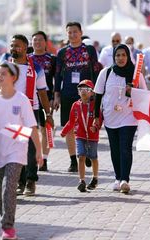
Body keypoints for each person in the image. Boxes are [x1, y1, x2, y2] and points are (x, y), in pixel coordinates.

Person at [0, 61, 43, 240]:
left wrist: (39, 151)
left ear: (13, 77)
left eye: (3, 73)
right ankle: (6, 218)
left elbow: (32, 127)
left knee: (9, 187)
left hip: (17, 149)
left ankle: (8, 228)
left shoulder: (22, 99)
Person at [93, 44, 147, 194]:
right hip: (110, 116)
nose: (121, 58)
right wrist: (96, 117)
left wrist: (133, 91)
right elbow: (98, 95)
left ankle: (125, 179)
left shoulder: (136, 74)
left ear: (128, 56)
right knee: (115, 148)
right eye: (118, 55)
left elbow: (144, 95)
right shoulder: (106, 72)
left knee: (125, 147)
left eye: (124, 55)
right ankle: (117, 178)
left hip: (128, 117)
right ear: (114, 57)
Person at [8, 34, 52, 196]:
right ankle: (20, 181)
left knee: (30, 148)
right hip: (10, 111)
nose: (13, 48)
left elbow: (42, 92)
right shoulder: (6, 66)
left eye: (17, 45)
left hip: (30, 110)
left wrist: (48, 113)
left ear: (26, 48)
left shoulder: (36, 68)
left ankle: (31, 181)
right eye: (12, 45)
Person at [54, 22, 101, 172]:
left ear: (81, 33)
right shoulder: (62, 52)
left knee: (87, 125)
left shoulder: (89, 50)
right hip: (67, 93)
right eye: (70, 32)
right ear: (66, 34)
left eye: (75, 32)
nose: (73, 35)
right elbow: (57, 74)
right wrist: (56, 95)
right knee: (68, 127)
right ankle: (73, 160)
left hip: (87, 94)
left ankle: (85, 153)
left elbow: (96, 70)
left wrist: (97, 92)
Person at [61, 80, 103, 192]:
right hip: (80, 135)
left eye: (86, 89)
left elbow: (100, 119)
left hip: (93, 136)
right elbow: (71, 121)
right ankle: (82, 180)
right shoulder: (76, 105)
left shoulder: (95, 105)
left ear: (92, 92)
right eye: (80, 90)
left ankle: (95, 178)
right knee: (81, 157)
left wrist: (96, 127)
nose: (83, 92)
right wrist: (64, 131)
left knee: (93, 157)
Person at [29, 31, 56, 171]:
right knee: (33, 130)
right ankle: (33, 157)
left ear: (46, 42)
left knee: (46, 130)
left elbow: (57, 79)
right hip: (30, 99)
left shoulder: (51, 59)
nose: (37, 42)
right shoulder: (27, 59)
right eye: (35, 40)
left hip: (46, 98)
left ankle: (44, 159)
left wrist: (54, 98)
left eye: (40, 40)